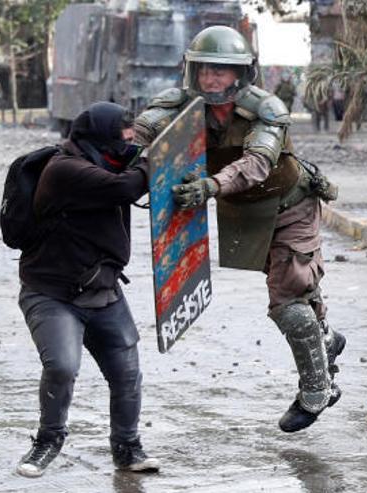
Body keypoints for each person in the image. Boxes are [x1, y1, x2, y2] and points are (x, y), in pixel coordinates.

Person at [133, 26, 345, 433]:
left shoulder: (266, 108)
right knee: (299, 291)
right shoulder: (180, 104)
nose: (211, 80)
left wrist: (211, 186)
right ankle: (327, 340)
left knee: (287, 300)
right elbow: (140, 134)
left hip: (289, 207)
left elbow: (257, 164)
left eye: (221, 71)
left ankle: (317, 392)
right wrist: (115, 157)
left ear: (239, 74)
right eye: (205, 71)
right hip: (242, 210)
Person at [14, 102, 157, 477]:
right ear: (100, 138)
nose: (128, 145)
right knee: (62, 365)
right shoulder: (65, 170)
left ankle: (127, 448)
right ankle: (47, 441)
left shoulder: (106, 160)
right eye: (122, 138)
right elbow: (127, 186)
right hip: (51, 293)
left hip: (103, 290)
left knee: (126, 372)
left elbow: (131, 175)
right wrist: (157, 158)